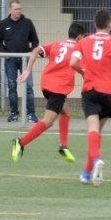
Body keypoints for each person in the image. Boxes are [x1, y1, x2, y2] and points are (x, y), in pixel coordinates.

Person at [11, 21, 86, 164]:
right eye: (83, 37)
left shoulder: (57, 45)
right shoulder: (78, 49)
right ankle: (20, 142)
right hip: (58, 88)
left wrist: (28, 69)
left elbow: (35, 50)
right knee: (48, 121)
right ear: (79, 37)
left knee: (65, 112)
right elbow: (82, 68)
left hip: (46, 84)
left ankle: (63, 146)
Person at [69, 10, 111, 186]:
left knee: (93, 130)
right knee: (97, 132)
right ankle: (86, 172)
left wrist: (83, 72)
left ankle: (95, 161)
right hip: (108, 90)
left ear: (95, 25)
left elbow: (73, 62)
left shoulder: (84, 41)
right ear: (109, 24)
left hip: (90, 88)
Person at [0, 0, 40, 123]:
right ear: (10, 10)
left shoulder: (27, 23)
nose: (18, 11)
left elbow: (35, 41)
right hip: (10, 61)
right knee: (12, 86)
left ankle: (31, 114)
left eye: (20, 9)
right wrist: (6, 54)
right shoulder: (3, 24)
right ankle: (14, 113)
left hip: (25, 60)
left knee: (29, 87)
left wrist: (30, 52)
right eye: (16, 9)